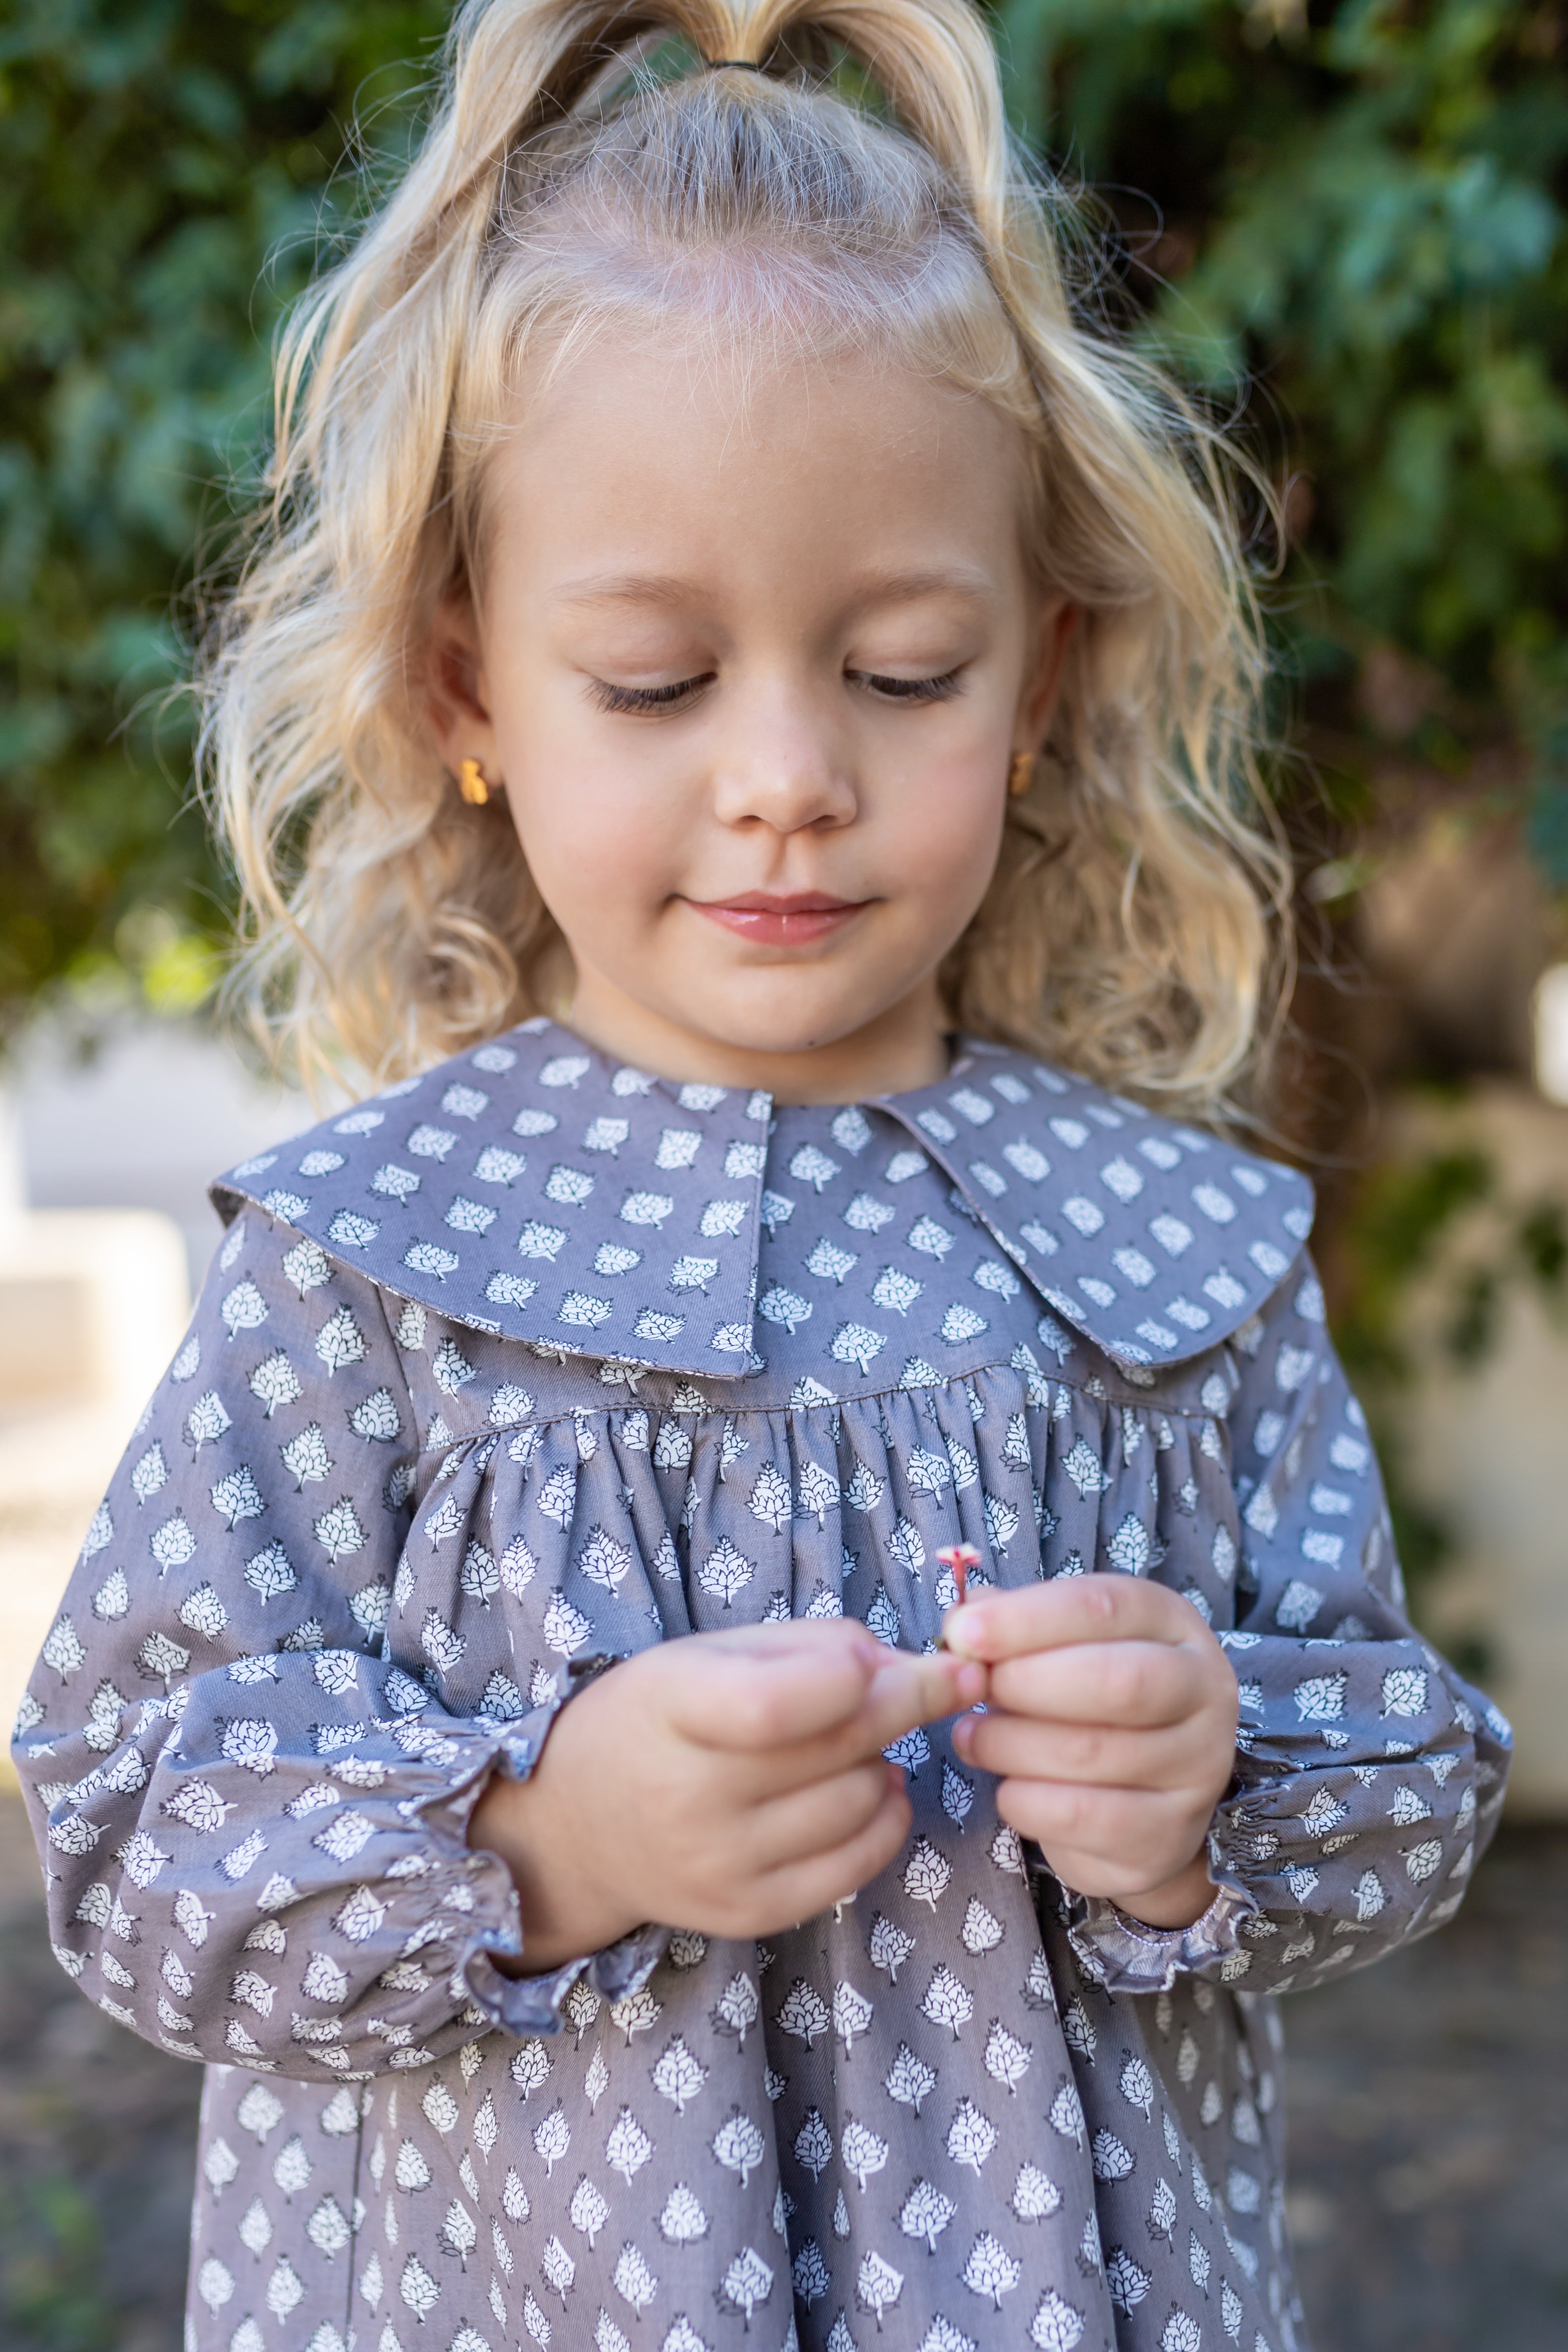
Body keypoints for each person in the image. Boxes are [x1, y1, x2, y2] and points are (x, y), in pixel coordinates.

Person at [13, 4, 1512, 2348]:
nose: (793, 775)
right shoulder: (380, 1274)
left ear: (1042, 679)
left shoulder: (1168, 1262)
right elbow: (123, 1831)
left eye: (906, 669)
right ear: (466, 694)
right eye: (653, 678)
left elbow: (1406, 1778)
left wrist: (1209, 1777)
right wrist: (541, 1842)